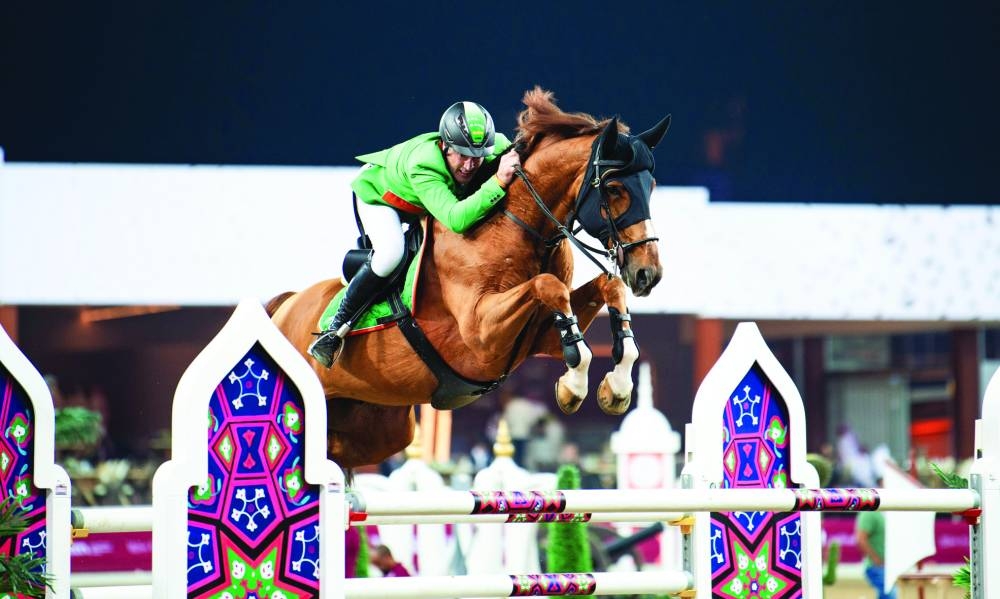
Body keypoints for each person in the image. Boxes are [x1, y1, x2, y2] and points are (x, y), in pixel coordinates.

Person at [308, 101, 522, 367]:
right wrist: (498, 181)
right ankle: (335, 328)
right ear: (445, 146)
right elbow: (456, 219)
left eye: (477, 156)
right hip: (381, 197)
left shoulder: (495, 145)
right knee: (391, 254)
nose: (470, 165)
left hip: (422, 202)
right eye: (462, 155)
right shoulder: (424, 165)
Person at [855, 506, 896, 599]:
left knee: (888, 594)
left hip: (885, 566)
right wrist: (876, 559)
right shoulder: (869, 513)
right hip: (877, 566)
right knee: (890, 594)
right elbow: (861, 539)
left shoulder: (884, 512)